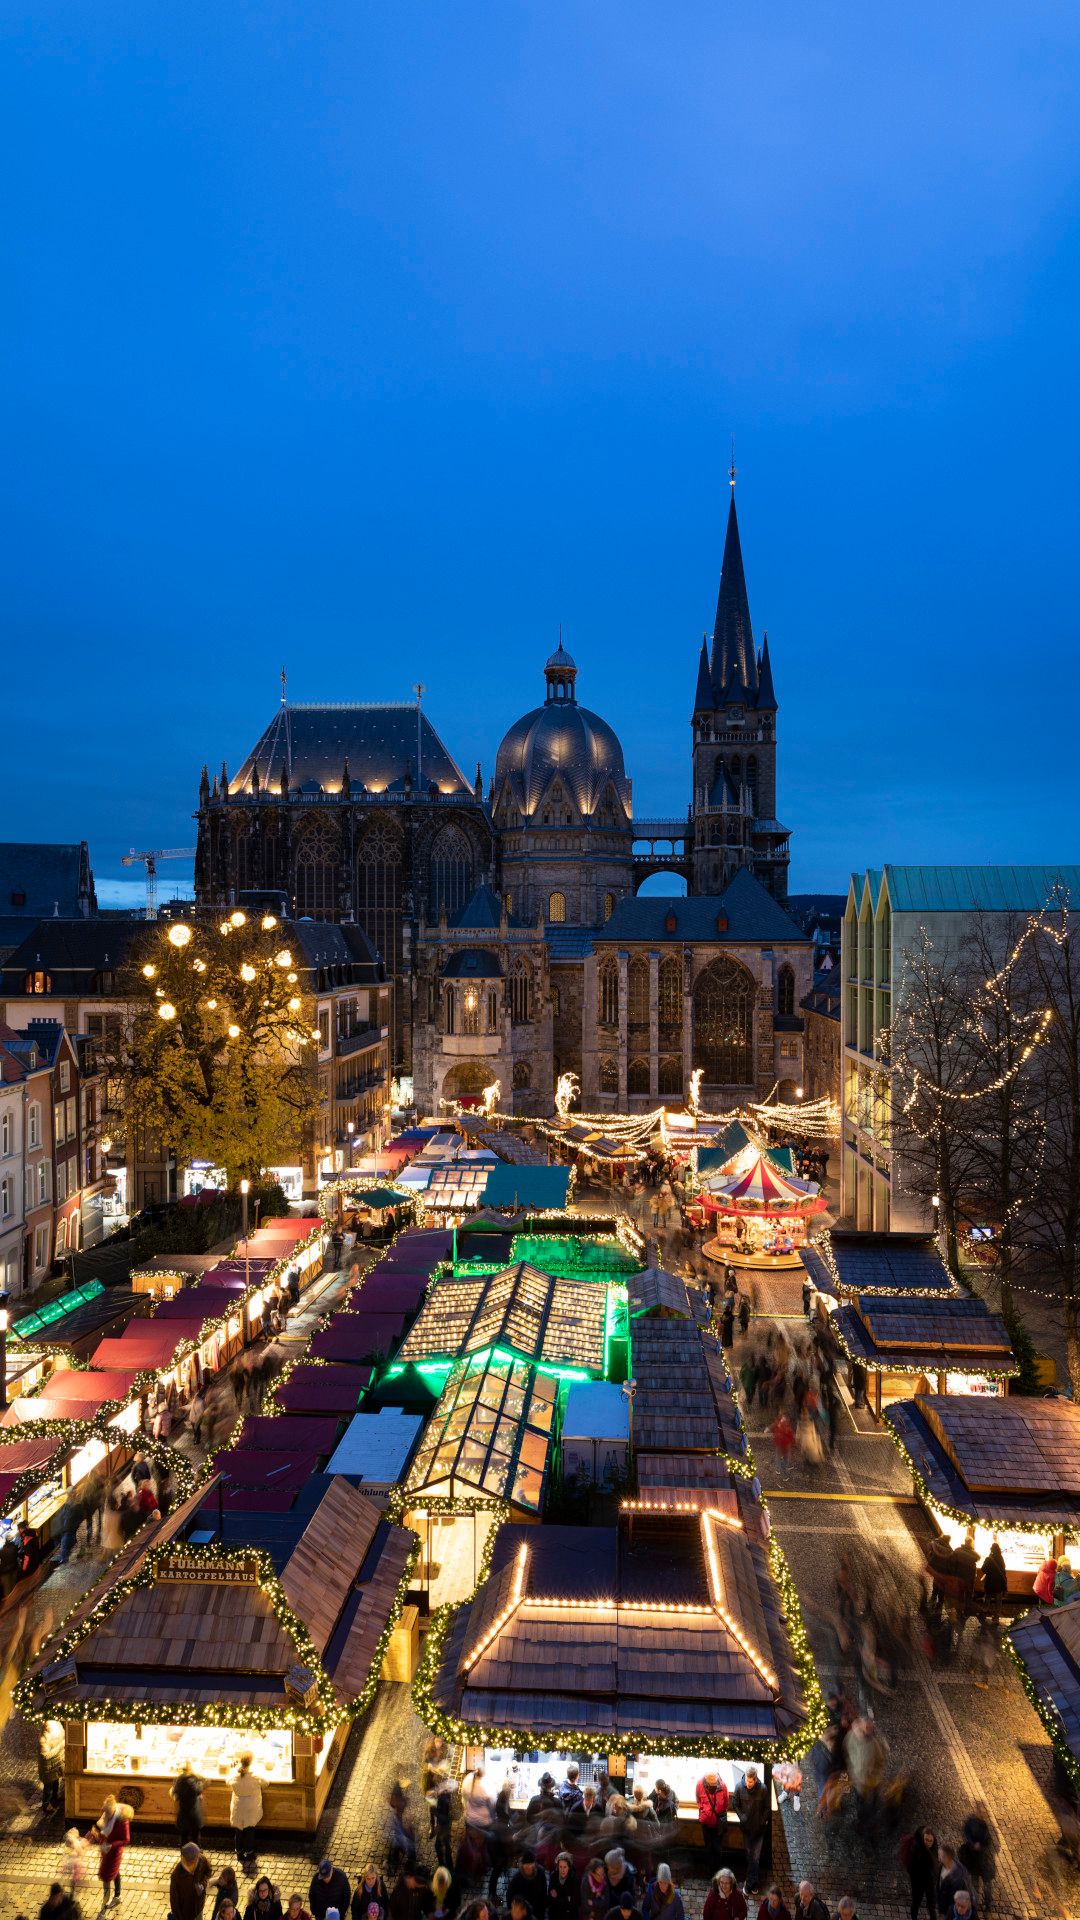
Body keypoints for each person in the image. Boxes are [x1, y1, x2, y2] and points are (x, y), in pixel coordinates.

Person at [88, 1795, 129, 1909]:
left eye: (106, 1811)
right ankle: (116, 1896)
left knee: (107, 1874)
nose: (104, 1814)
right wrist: (96, 1835)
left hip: (114, 1851)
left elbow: (126, 1839)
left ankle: (107, 1900)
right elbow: (102, 1828)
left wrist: (111, 1846)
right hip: (106, 1850)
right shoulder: (107, 1815)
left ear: (112, 1810)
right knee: (115, 1872)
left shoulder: (122, 1820)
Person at [732, 1769, 768, 1895]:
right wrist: (742, 1817)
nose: (748, 1783)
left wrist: (762, 1820)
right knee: (750, 1857)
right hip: (746, 1829)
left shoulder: (763, 1789)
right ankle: (754, 1883)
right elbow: (735, 1803)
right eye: (747, 1780)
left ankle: (749, 1883)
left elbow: (766, 1807)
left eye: (751, 1781)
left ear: (755, 1779)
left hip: (758, 1829)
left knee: (755, 1858)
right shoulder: (739, 1787)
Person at [230, 1752, 264, 1867]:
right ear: (251, 1761)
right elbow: (266, 1783)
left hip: (238, 1806)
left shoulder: (235, 1774)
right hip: (250, 1807)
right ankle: (250, 1853)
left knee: (239, 1830)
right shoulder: (255, 1775)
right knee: (249, 1830)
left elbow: (227, 1781)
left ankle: (239, 1853)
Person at [959, 1812, 995, 1912]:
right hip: (974, 1862)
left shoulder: (984, 1826)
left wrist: (981, 1846)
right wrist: (974, 1845)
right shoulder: (970, 1825)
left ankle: (987, 1905)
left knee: (986, 1885)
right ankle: (976, 1906)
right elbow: (967, 1839)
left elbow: (989, 1842)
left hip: (983, 1863)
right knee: (975, 1885)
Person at [169, 1841, 214, 1920]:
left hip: (199, 1908)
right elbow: (174, 1901)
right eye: (197, 1858)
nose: (199, 1858)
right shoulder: (176, 1876)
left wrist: (203, 1885)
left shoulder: (201, 1860)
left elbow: (208, 1872)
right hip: (185, 1914)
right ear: (190, 1861)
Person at [695, 1772, 729, 1877]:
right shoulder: (699, 1784)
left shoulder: (723, 1786)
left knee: (718, 1848)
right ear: (706, 1779)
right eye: (711, 1782)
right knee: (708, 1847)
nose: (713, 1784)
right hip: (706, 1823)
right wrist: (704, 1811)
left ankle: (718, 1870)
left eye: (714, 1781)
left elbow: (726, 1803)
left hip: (718, 1823)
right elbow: (698, 1799)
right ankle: (710, 1870)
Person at [900, 1829, 938, 1920]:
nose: (928, 1843)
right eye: (926, 1840)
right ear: (922, 1838)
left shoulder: (934, 1848)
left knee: (931, 1905)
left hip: (930, 1881)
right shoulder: (915, 1848)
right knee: (916, 1902)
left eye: (931, 1841)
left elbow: (935, 1864)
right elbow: (910, 1867)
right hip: (918, 1882)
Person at [171, 1761, 206, 1847]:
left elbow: (174, 1793)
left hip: (183, 1815)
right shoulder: (194, 1782)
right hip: (194, 1814)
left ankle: (184, 1855)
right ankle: (197, 1856)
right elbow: (203, 1784)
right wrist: (197, 1776)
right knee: (195, 1837)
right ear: (191, 1770)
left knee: (184, 1837)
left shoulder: (178, 1781)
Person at [506, 1851, 548, 1920]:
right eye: (526, 1864)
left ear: (534, 1864)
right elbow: (509, 1897)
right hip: (523, 1914)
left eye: (530, 1864)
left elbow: (544, 1893)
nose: (528, 1867)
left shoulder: (540, 1873)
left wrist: (543, 1909)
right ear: (522, 1865)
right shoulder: (516, 1879)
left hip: (538, 1911)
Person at [935, 1846, 972, 1917]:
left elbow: (954, 1898)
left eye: (941, 1856)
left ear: (948, 1858)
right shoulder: (943, 1865)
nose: (938, 1857)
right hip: (943, 1903)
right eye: (939, 1854)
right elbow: (939, 1883)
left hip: (950, 1908)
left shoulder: (958, 1876)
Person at [38, 1719, 64, 1814]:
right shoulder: (43, 1740)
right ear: (47, 1728)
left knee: (56, 1782)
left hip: (54, 1766)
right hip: (47, 1769)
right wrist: (59, 1747)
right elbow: (45, 1755)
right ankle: (45, 1804)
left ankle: (55, 1797)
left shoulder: (53, 1734)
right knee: (48, 1788)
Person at [978, 1542, 1008, 1627]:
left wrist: (989, 1571)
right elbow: (1003, 1570)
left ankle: (984, 1614)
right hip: (999, 1583)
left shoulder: (989, 1558)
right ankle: (996, 1618)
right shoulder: (1001, 1558)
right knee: (998, 1601)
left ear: (991, 1549)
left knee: (987, 1598)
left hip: (990, 1582)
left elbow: (983, 1569)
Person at [547, 1854, 578, 1920]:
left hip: (569, 1916)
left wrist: (558, 1898)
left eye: (565, 1867)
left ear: (569, 1867)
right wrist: (567, 1899)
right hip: (555, 1914)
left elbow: (574, 1901)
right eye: (560, 1867)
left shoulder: (574, 1878)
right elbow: (551, 1897)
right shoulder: (553, 1876)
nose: (562, 1870)